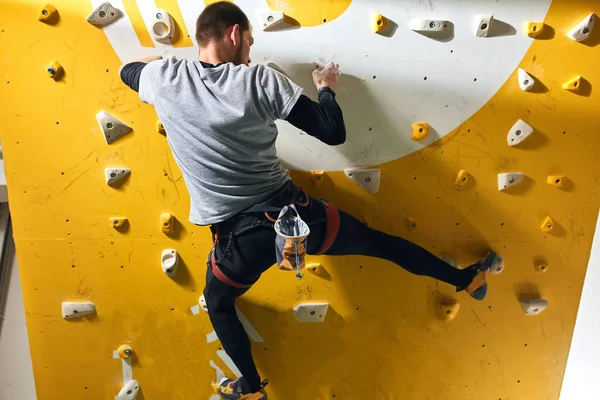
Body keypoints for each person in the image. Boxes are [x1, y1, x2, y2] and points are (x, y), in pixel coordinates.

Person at [119, 2, 503, 399]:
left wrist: (171, 61)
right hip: (295, 219)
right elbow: (331, 131)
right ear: (234, 34)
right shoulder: (258, 82)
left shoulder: (164, 79)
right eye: (249, 42)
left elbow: (128, 68)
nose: (249, 54)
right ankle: (466, 279)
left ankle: (251, 389)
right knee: (377, 243)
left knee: (218, 303)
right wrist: (326, 88)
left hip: (239, 241)